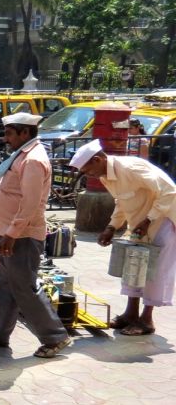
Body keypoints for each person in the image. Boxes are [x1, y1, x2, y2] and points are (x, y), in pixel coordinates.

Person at [0, 112, 71, 358]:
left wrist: (12, 234)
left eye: (9, 133)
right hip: (9, 232)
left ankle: (55, 337)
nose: (5, 138)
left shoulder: (34, 160)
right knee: (5, 284)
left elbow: (30, 204)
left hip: (22, 235)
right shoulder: (23, 155)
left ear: (24, 133)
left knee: (24, 287)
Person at [72, 139, 176, 336]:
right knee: (134, 266)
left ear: (97, 160)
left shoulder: (131, 168)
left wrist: (148, 220)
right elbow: (122, 201)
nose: (87, 175)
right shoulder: (106, 176)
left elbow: (170, 191)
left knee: (154, 270)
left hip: (162, 221)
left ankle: (146, 319)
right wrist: (112, 226)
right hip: (139, 224)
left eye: (87, 170)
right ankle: (130, 314)